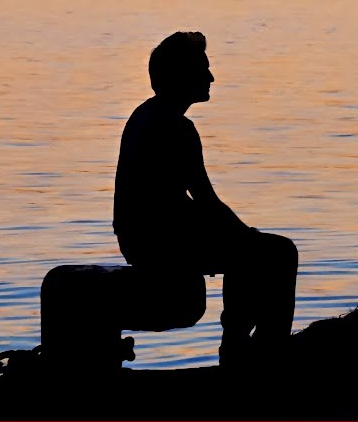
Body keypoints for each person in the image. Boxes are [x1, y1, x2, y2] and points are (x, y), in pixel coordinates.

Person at [113, 31, 298, 364]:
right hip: (161, 241)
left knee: (247, 249)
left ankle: (238, 344)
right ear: (181, 76)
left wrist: (241, 237)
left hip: (143, 238)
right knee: (279, 252)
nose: (211, 77)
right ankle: (257, 352)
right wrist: (246, 236)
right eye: (203, 70)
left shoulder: (145, 115)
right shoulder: (175, 127)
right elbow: (206, 201)